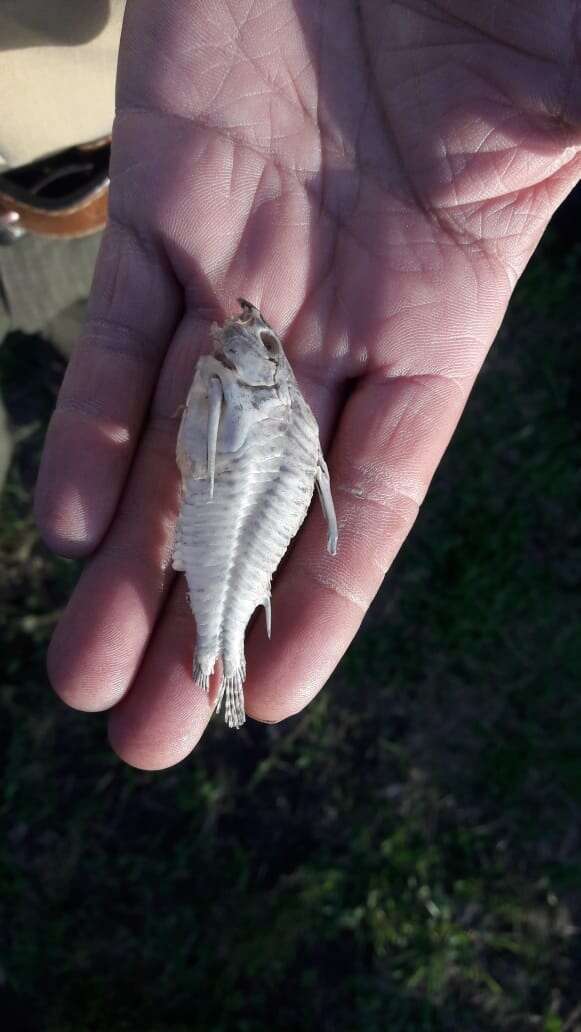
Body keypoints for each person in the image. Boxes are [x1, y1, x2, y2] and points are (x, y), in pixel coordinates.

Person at [32, 0, 581, 770]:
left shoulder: (251, 393)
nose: (239, 335)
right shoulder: (261, 396)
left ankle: (221, 647)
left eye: (250, 340)